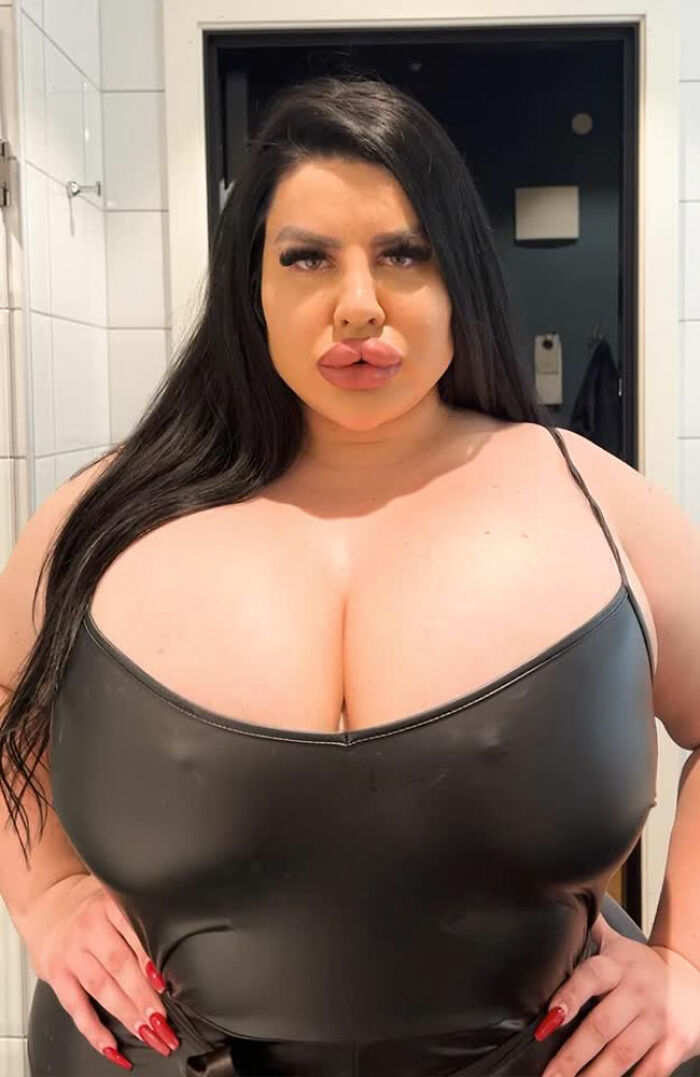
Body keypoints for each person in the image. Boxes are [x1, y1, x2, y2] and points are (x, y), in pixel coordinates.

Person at [1, 74, 699, 1077]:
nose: (359, 306)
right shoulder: (98, 518)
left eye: (404, 254)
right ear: (251, 286)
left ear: (461, 277)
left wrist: (684, 960)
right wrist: (47, 892)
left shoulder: (602, 504)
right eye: (307, 258)